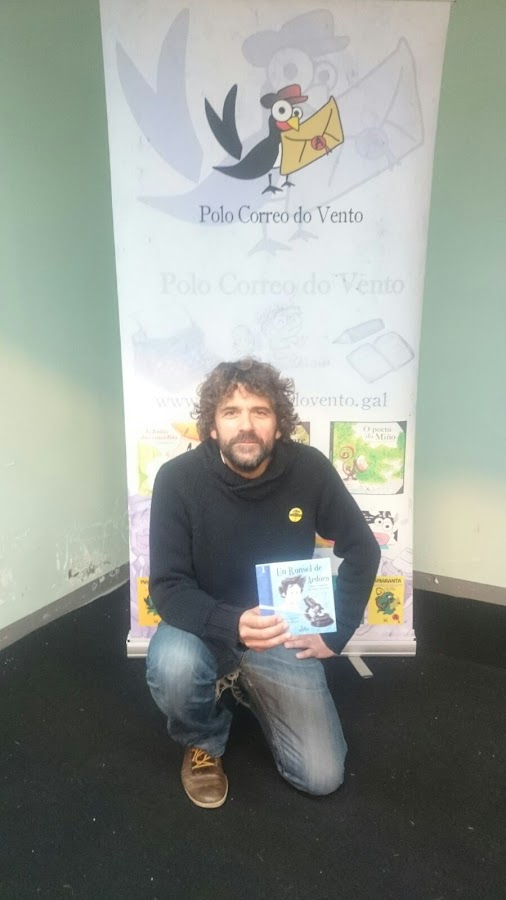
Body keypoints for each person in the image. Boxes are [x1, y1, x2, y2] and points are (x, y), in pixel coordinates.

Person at [147, 358, 380, 808]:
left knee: (322, 777)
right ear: (212, 425)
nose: (246, 425)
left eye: (260, 411)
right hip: (202, 625)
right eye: (231, 412)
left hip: (280, 630)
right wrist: (232, 624)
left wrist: (337, 630)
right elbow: (168, 586)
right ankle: (203, 738)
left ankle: (244, 684)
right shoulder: (176, 479)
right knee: (174, 666)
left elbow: (363, 549)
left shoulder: (309, 469)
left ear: (279, 423)